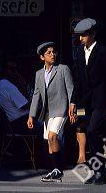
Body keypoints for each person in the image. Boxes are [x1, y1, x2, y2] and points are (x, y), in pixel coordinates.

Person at [68, 18, 106, 185]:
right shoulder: (79, 52)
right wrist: (73, 101)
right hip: (86, 101)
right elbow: (78, 80)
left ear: (92, 34)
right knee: (91, 134)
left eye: (83, 35)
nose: (80, 38)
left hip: (101, 99)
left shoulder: (103, 51)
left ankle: (100, 169)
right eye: (80, 36)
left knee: (91, 131)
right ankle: (99, 171)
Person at [28, 42, 74, 182]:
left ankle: (58, 169)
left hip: (61, 109)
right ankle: (54, 171)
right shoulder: (39, 74)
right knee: (49, 141)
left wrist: (72, 105)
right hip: (47, 113)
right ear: (42, 57)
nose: (52, 54)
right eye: (49, 53)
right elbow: (36, 95)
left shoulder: (62, 69)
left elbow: (71, 88)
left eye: (54, 52)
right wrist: (31, 115)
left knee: (52, 136)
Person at [0, 62, 30, 134]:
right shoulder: (7, 85)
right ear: (6, 71)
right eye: (13, 70)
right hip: (22, 122)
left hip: (15, 122)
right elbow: (25, 106)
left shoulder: (1, 85)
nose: (16, 72)